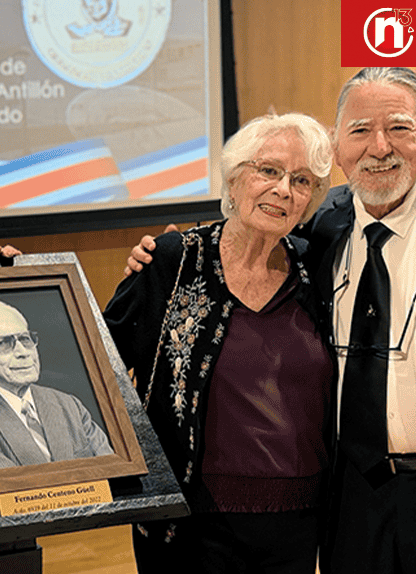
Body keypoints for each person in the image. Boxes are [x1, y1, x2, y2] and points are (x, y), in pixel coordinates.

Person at [128, 67, 416, 573]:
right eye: (361, 131)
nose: (379, 147)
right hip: (349, 498)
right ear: (336, 142)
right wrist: (165, 256)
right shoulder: (322, 228)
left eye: (399, 128)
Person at [104, 112, 335, 573]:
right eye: (268, 170)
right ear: (233, 180)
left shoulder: (320, 272)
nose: (283, 189)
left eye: (302, 180)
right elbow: (94, 359)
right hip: (189, 522)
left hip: (297, 520)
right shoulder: (171, 261)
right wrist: (15, 281)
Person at [0, 298, 114, 473]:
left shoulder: (68, 404)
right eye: (3, 343)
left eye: (25, 339)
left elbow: (113, 472)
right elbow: (17, 491)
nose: (23, 352)